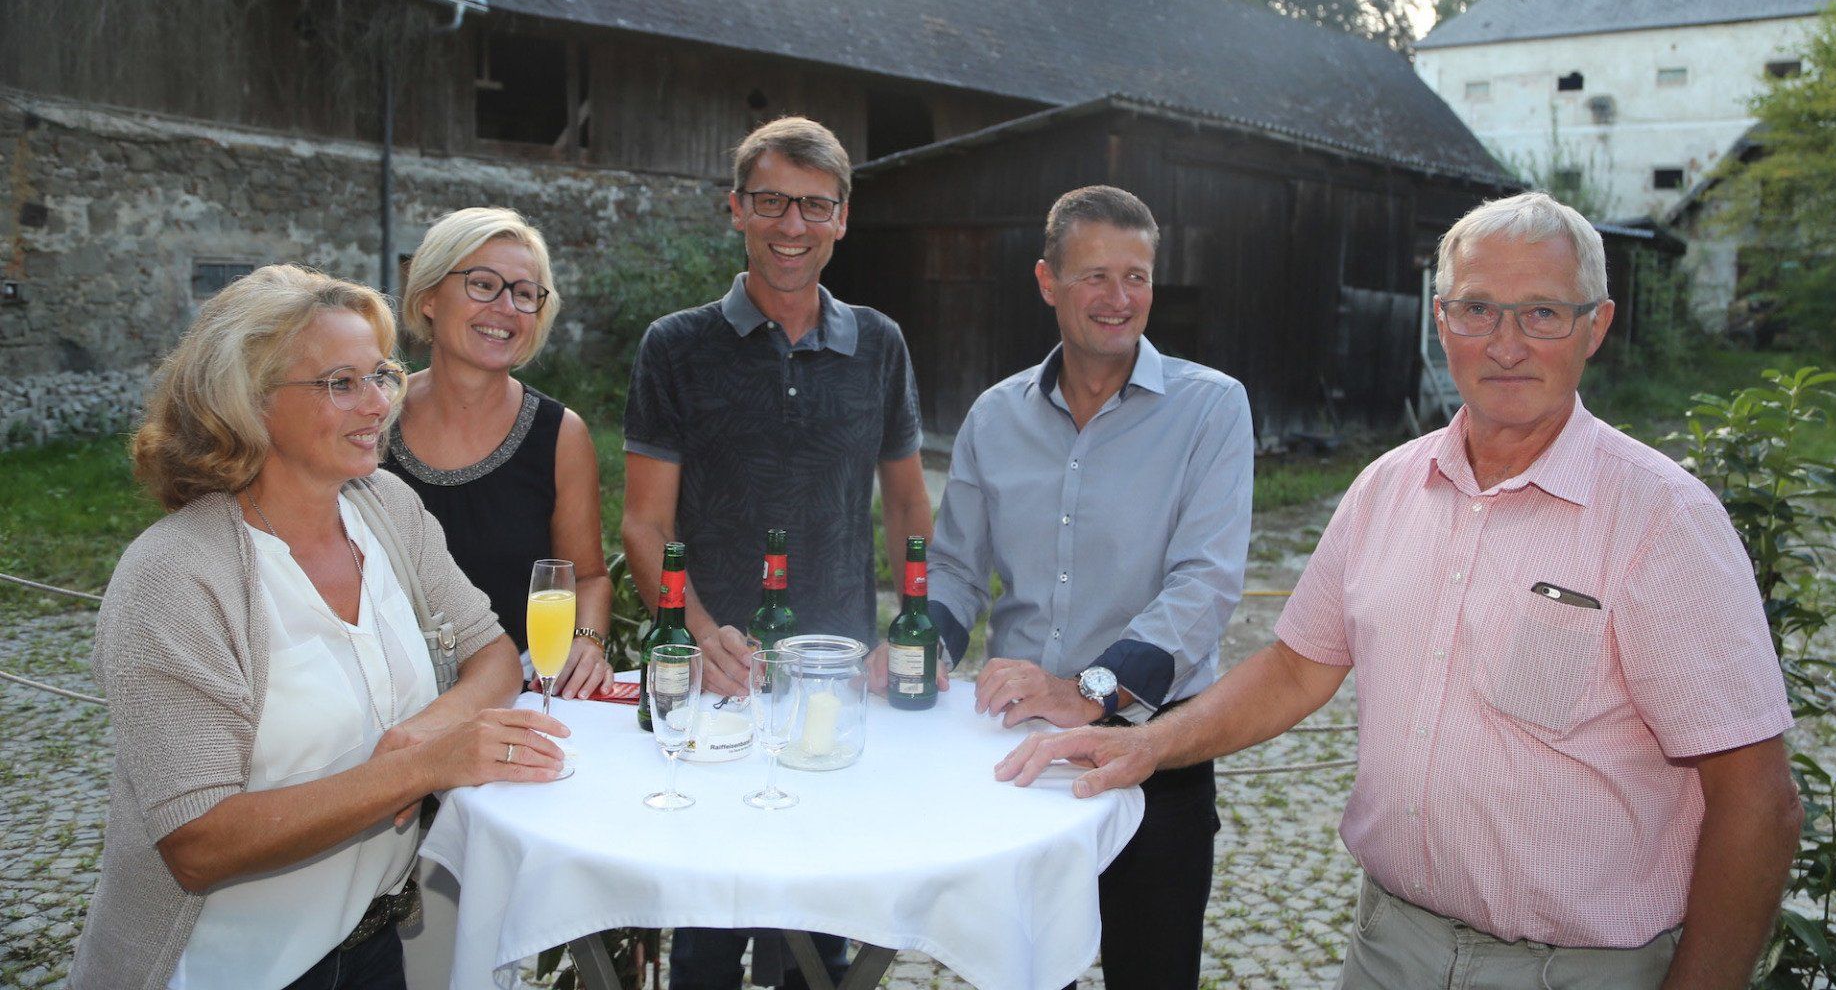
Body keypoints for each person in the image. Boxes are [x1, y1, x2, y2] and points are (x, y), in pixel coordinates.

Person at [999, 192, 1803, 990]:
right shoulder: (1387, 487)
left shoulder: (1663, 519)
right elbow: (1293, 669)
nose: (1507, 344)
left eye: (1544, 315)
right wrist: (1146, 743)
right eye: (1478, 309)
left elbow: (1758, 800)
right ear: (1441, 320)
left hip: (1577, 971)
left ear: (1596, 326)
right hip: (1390, 950)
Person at [70, 265, 567, 990]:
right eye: (341, 383)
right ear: (247, 400)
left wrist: (430, 731)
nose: (378, 407)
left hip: (371, 945)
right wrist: (418, 768)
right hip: (225, 970)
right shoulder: (175, 576)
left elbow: (492, 652)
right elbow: (199, 843)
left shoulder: (386, 507)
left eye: (382, 376)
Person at [622, 115, 933, 988]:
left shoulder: (880, 343)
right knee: (709, 931)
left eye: (813, 206)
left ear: (842, 218)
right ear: (735, 209)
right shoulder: (674, 346)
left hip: (833, 681)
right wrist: (699, 633)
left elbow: (908, 500)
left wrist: (910, 626)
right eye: (769, 202)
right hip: (718, 685)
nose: (790, 226)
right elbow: (645, 525)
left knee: (818, 926)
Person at [925, 185, 1254, 990]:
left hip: (1158, 748)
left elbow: (1203, 587)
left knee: (1154, 975)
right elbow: (957, 569)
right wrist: (916, 648)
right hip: (1018, 754)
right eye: (1096, 277)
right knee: (1023, 979)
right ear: (1048, 281)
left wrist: (1088, 690)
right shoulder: (994, 416)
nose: (1119, 299)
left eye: (1136, 277)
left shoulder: (1213, 410)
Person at [385, 206, 614, 698]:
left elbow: (589, 577)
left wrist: (587, 641)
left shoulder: (560, 434)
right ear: (427, 297)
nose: (507, 308)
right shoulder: (370, 418)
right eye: (483, 284)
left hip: (517, 691)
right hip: (382, 690)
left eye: (526, 294)